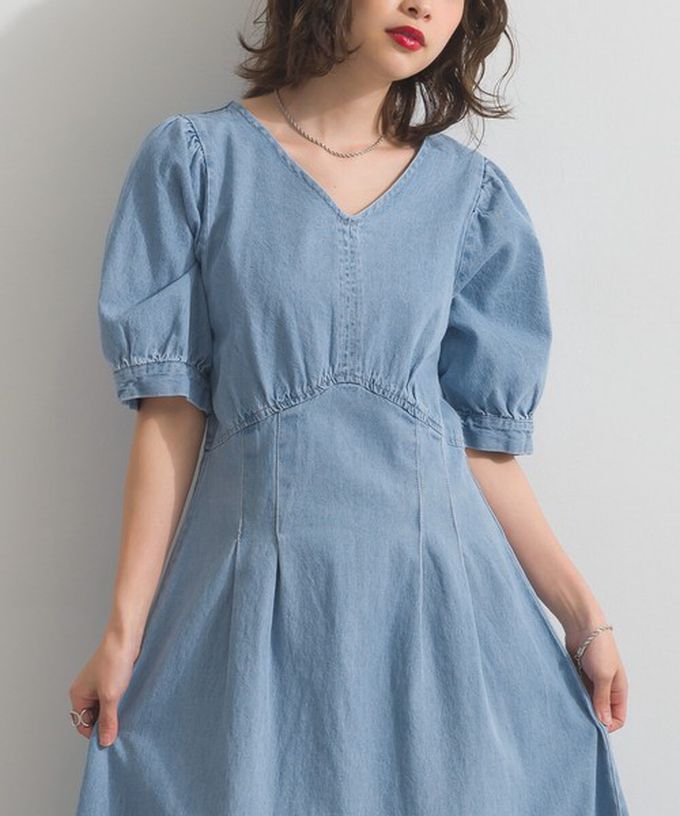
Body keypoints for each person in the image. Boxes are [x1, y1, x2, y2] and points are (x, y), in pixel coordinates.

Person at [71, 1, 631, 813]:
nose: (423, 7)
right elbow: (169, 411)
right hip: (253, 616)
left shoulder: (471, 200)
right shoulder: (196, 161)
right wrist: (122, 635)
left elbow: (483, 450)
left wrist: (585, 620)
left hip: (441, 620)